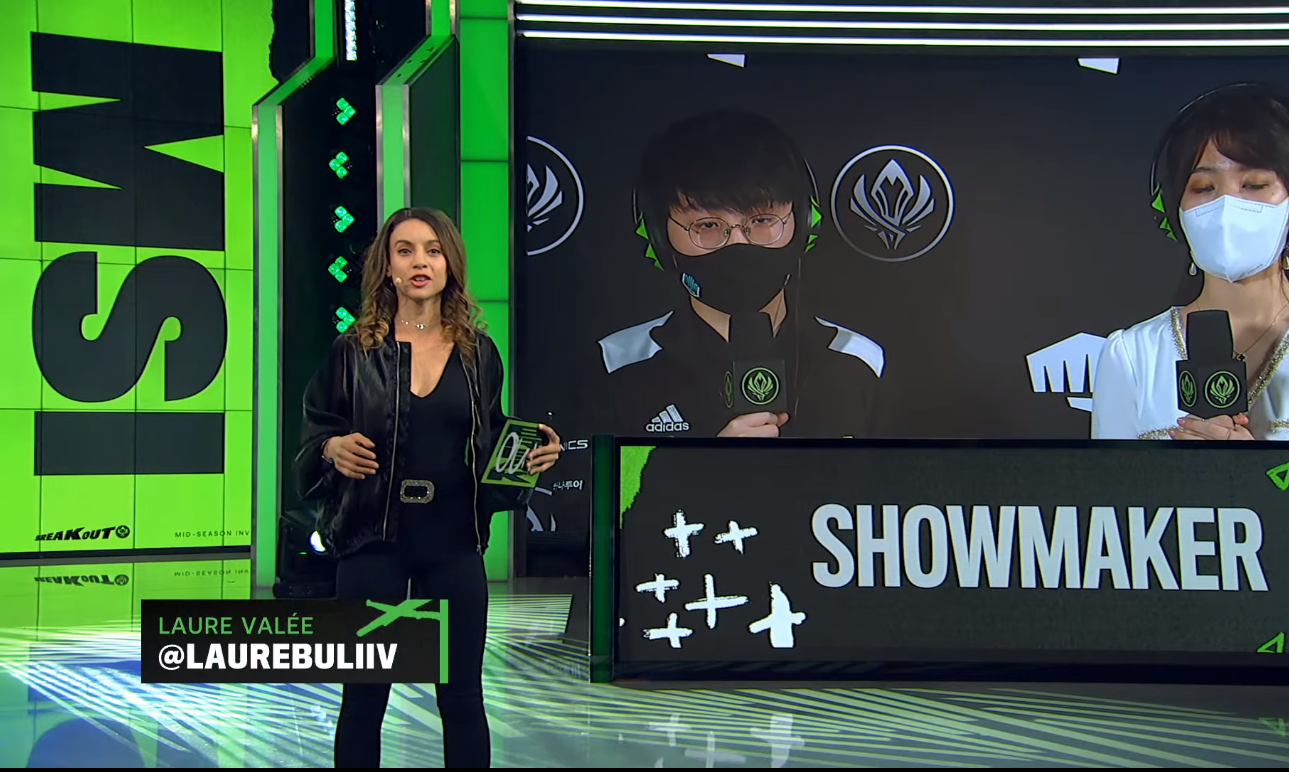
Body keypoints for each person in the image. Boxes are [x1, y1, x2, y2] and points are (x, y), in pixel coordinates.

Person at [292, 207, 563, 768]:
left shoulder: (479, 353)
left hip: (453, 542)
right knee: (363, 699)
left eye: (433, 250)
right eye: (406, 250)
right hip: (371, 540)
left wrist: (528, 456)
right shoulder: (352, 351)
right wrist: (330, 448)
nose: (421, 262)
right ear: (387, 268)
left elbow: (489, 438)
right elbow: (317, 428)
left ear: (450, 265)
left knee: (462, 698)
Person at [586, 111, 889, 439]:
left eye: (762, 221)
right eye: (708, 225)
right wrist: (712, 465)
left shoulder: (863, 362)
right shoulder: (614, 365)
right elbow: (592, 474)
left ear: (804, 223)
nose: (739, 244)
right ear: (659, 237)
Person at [1092, 83, 1289, 442]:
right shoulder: (1131, 356)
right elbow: (1113, 480)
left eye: (1254, 184)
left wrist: (1249, 471)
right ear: (1173, 211)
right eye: (1203, 188)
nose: (1226, 207)